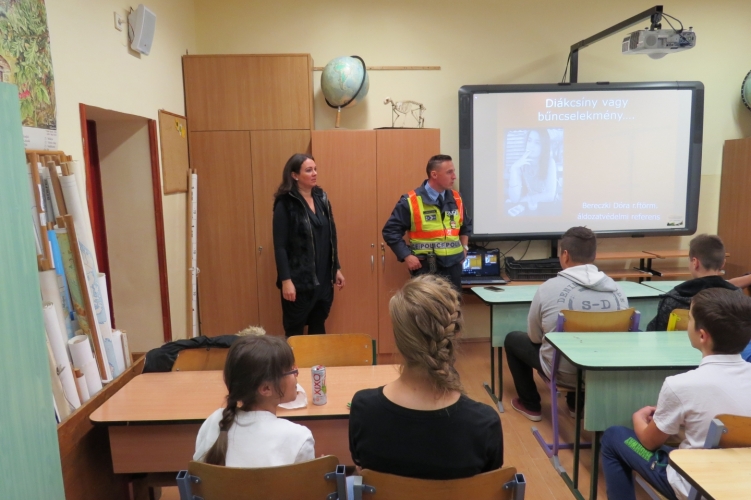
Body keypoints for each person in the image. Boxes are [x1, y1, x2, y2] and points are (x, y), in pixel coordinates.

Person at [601, 288, 751, 500]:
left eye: (690, 318)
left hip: (696, 487)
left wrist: (638, 418)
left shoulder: (680, 385)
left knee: (613, 436)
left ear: (702, 335)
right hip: (744, 484)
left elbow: (649, 442)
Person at [348, 274, 503, 480]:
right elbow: (488, 486)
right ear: (454, 333)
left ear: (399, 339)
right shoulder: (484, 423)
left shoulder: (363, 409)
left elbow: (362, 470)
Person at [504, 226, 629, 421]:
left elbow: (534, 337)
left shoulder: (548, 288)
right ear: (594, 255)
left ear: (565, 255)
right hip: (603, 371)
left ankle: (530, 404)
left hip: (561, 371)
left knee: (513, 340)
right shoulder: (617, 291)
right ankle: (577, 405)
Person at [193, 335, 314, 467]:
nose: (296, 373)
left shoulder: (214, 421)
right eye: (291, 370)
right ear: (266, 388)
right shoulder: (300, 438)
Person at [273, 153, 345, 337]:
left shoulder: (322, 198)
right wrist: (286, 280)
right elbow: (280, 247)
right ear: (295, 175)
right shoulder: (285, 203)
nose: (314, 173)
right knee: (294, 330)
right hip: (299, 281)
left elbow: (331, 236)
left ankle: (318, 358)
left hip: (323, 279)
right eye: (308, 170)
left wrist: (336, 268)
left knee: (318, 326)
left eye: (315, 169)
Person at [382, 155, 472, 291]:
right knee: (427, 304)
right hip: (426, 269)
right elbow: (390, 231)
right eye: (449, 172)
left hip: (453, 267)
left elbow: (466, 226)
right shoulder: (411, 201)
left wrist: (464, 248)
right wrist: (407, 256)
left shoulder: (456, 198)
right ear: (434, 174)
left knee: (452, 304)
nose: (454, 176)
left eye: (453, 171)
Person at [646, 234, 739, 331]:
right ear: (723, 263)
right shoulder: (737, 297)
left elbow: (655, 332)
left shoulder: (673, 299)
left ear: (695, 262)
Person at [506, 129, 558, 211]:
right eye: (529, 141)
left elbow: (550, 196)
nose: (531, 146)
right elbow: (514, 199)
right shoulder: (522, 163)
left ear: (544, 146)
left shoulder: (550, 162)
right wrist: (514, 169)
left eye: (537, 143)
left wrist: (523, 200)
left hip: (548, 205)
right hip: (530, 204)